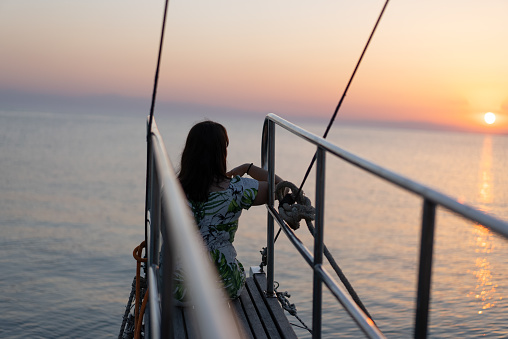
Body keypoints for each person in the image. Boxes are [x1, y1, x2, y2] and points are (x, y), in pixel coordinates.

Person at [176, 120, 282, 301]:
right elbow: (281, 187)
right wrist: (247, 168)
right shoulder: (236, 189)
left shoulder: (171, 190)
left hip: (177, 288)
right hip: (222, 287)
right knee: (234, 270)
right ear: (221, 153)